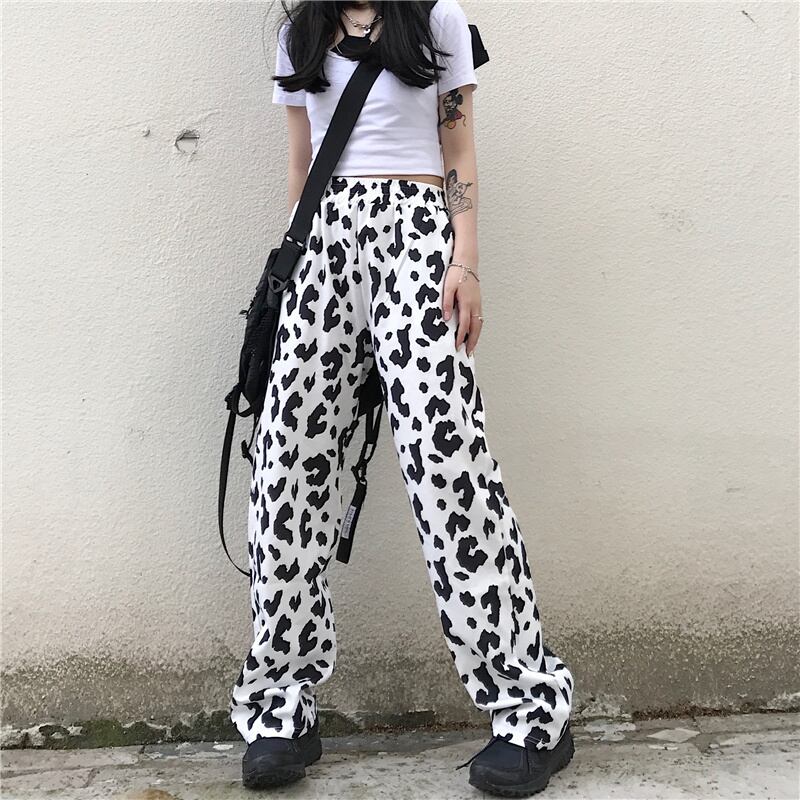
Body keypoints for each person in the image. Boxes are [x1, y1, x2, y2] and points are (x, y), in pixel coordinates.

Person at [229, 1, 575, 795]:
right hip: (322, 244)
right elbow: (301, 163)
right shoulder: (300, 32)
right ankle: (279, 707)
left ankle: (532, 708)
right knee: (287, 468)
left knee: (449, 465)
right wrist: (296, 269)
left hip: (420, 237)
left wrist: (466, 261)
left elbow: (459, 150)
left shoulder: (436, 18)